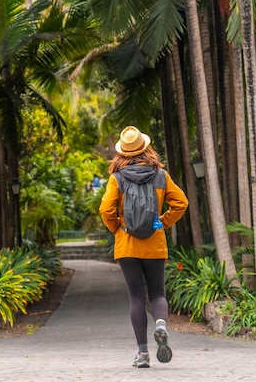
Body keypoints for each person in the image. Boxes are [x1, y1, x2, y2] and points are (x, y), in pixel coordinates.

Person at [99, 126, 188, 368]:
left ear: (122, 153)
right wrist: (163, 222)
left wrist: (118, 227)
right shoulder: (161, 175)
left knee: (136, 298)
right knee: (158, 294)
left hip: (127, 244)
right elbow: (181, 203)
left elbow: (106, 210)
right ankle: (161, 325)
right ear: (145, 148)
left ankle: (143, 354)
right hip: (154, 244)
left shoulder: (117, 178)